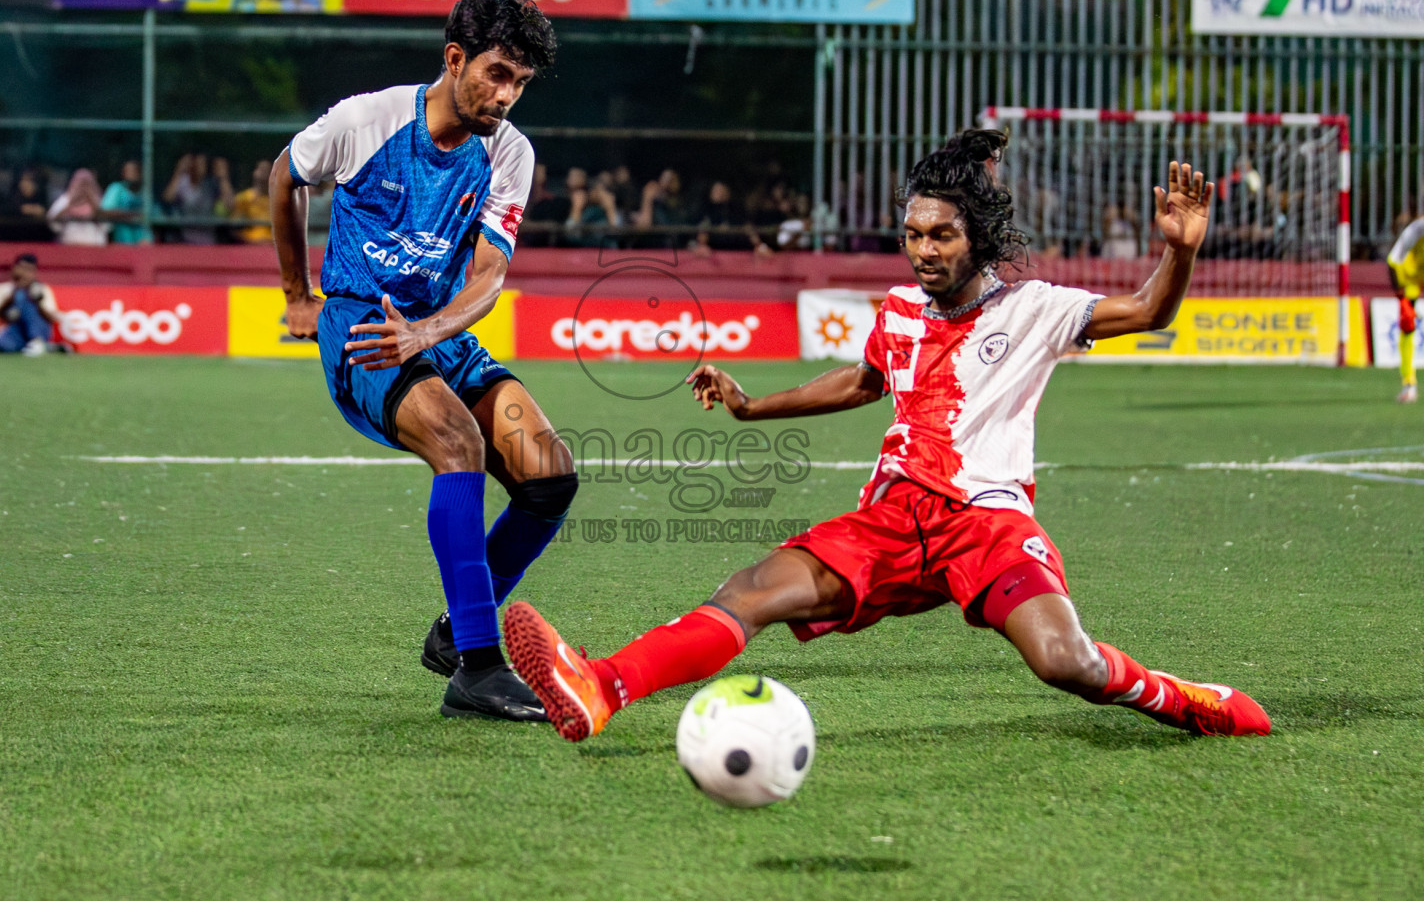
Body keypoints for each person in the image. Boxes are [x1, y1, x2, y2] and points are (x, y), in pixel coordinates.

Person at [505, 128, 1272, 743]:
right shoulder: (901, 309)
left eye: (941, 235)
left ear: (977, 235)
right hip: (893, 520)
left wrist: (1181, 249)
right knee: (750, 590)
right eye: (913, 234)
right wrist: (751, 407)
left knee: (1064, 662)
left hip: (987, 523)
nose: (925, 250)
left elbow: (1146, 312)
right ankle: (601, 685)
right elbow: (863, 382)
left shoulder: (1034, 308)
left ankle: (1186, 699)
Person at [270, 0, 575, 722]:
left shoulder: (510, 153)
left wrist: (429, 332)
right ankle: (478, 665)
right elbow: (285, 174)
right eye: (497, 74)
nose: (506, 97)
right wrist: (296, 294)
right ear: (454, 59)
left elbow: (489, 278)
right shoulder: (364, 121)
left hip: (437, 332)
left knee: (550, 478)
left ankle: (455, 630)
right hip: (363, 328)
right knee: (457, 441)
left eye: (521, 84)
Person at [0, 253, 65, 355]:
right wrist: (15, 293)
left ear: (34, 272)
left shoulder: (42, 289)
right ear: (14, 268)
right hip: (15, 329)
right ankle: (46, 348)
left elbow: (52, 318)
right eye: (22, 268)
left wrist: (36, 301)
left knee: (27, 303)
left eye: (29, 270)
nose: (25, 273)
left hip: (39, 329)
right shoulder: (0, 289)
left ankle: (37, 342)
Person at [1386, 211, 1424, 404]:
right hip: (1411, 279)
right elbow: (1392, 261)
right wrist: (1401, 299)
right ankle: (1409, 384)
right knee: (1407, 325)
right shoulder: (1416, 230)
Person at [47, 169, 111, 245]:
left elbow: (107, 227)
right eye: (80, 183)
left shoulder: (99, 200)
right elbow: (53, 224)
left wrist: (92, 201)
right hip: (69, 246)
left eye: (86, 183)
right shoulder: (65, 199)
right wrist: (70, 204)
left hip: (95, 247)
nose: (83, 187)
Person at [102, 161, 150, 244]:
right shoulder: (116, 188)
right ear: (123, 174)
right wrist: (132, 214)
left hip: (145, 242)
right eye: (128, 171)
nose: (131, 174)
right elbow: (104, 212)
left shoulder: (146, 192)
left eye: (134, 171)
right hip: (122, 242)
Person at [231, 159, 274, 243]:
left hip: (272, 245)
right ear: (254, 173)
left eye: (267, 170)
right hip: (250, 245)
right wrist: (251, 241)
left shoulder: (277, 199)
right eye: (261, 169)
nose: (264, 173)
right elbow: (234, 229)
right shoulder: (244, 198)